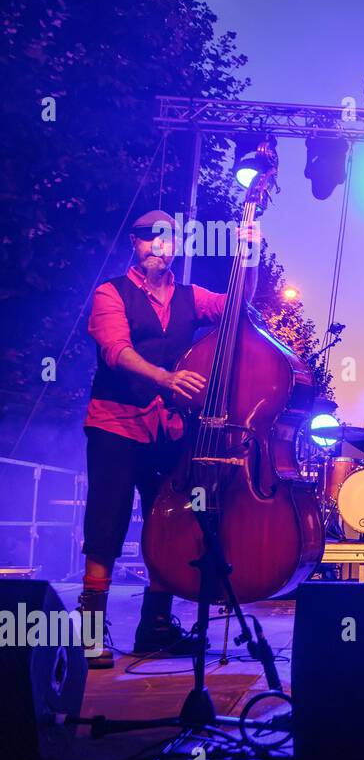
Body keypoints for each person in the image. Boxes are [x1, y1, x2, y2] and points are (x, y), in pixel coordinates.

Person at [78, 209, 257, 669]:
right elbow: (115, 351)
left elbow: (237, 305)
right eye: (150, 238)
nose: (160, 245)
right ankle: (91, 635)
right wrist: (166, 378)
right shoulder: (109, 292)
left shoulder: (189, 295)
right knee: (106, 525)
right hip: (116, 422)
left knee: (170, 523)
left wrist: (249, 255)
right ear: (135, 245)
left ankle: (153, 626)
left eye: (168, 238)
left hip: (169, 427)